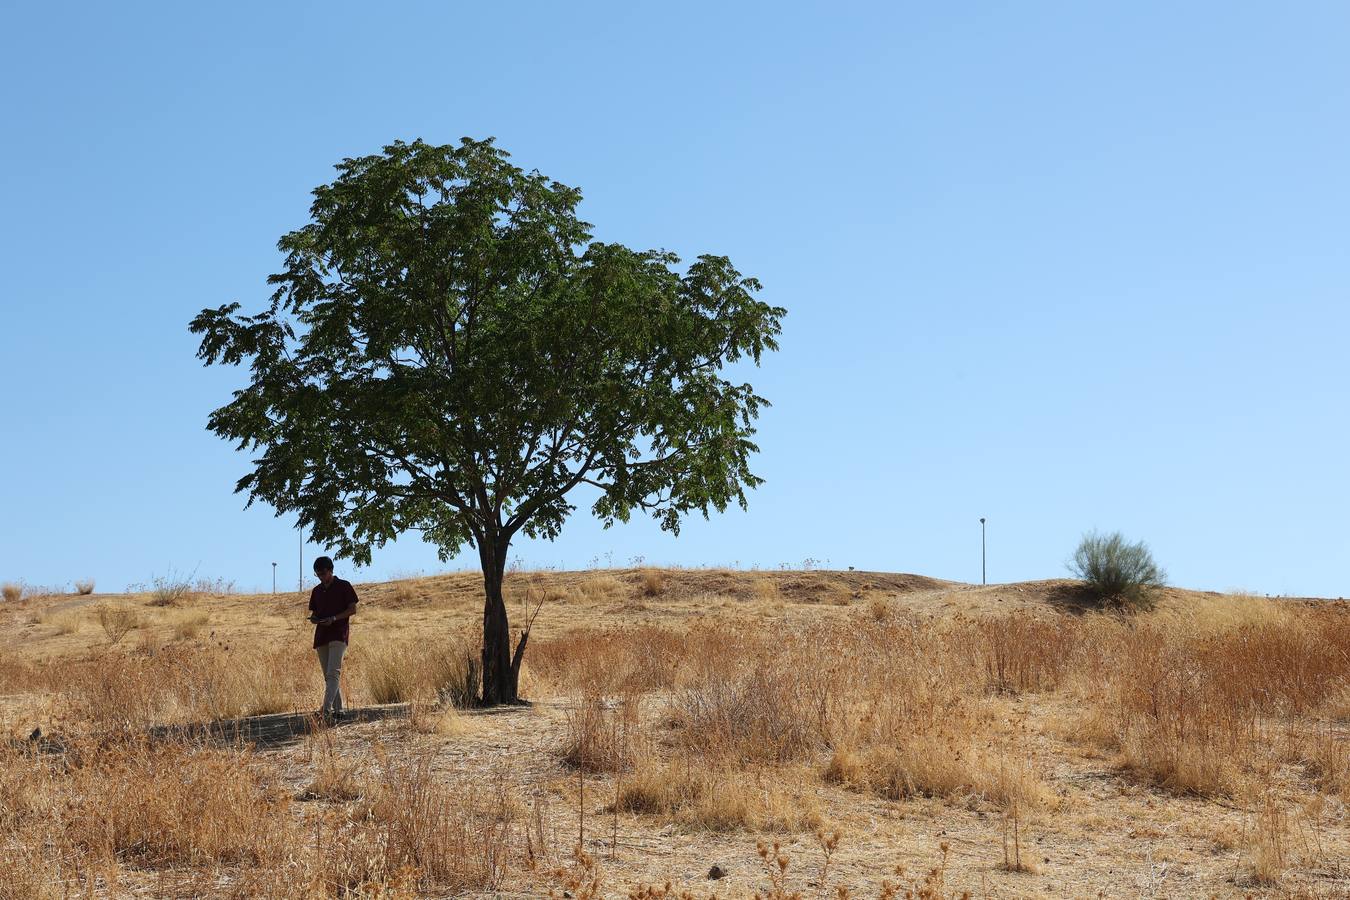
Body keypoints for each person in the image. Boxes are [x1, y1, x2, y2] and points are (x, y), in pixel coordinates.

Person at [307, 556, 358, 721]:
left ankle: (325, 710)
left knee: (333, 673)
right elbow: (314, 613)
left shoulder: (344, 586)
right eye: (318, 574)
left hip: (338, 633)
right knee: (328, 676)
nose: (321, 577)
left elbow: (352, 609)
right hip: (322, 635)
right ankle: (338, 710)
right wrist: (315, 619)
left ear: (331, 570)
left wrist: (334, 618)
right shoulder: (316, 591)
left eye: (323, 573)